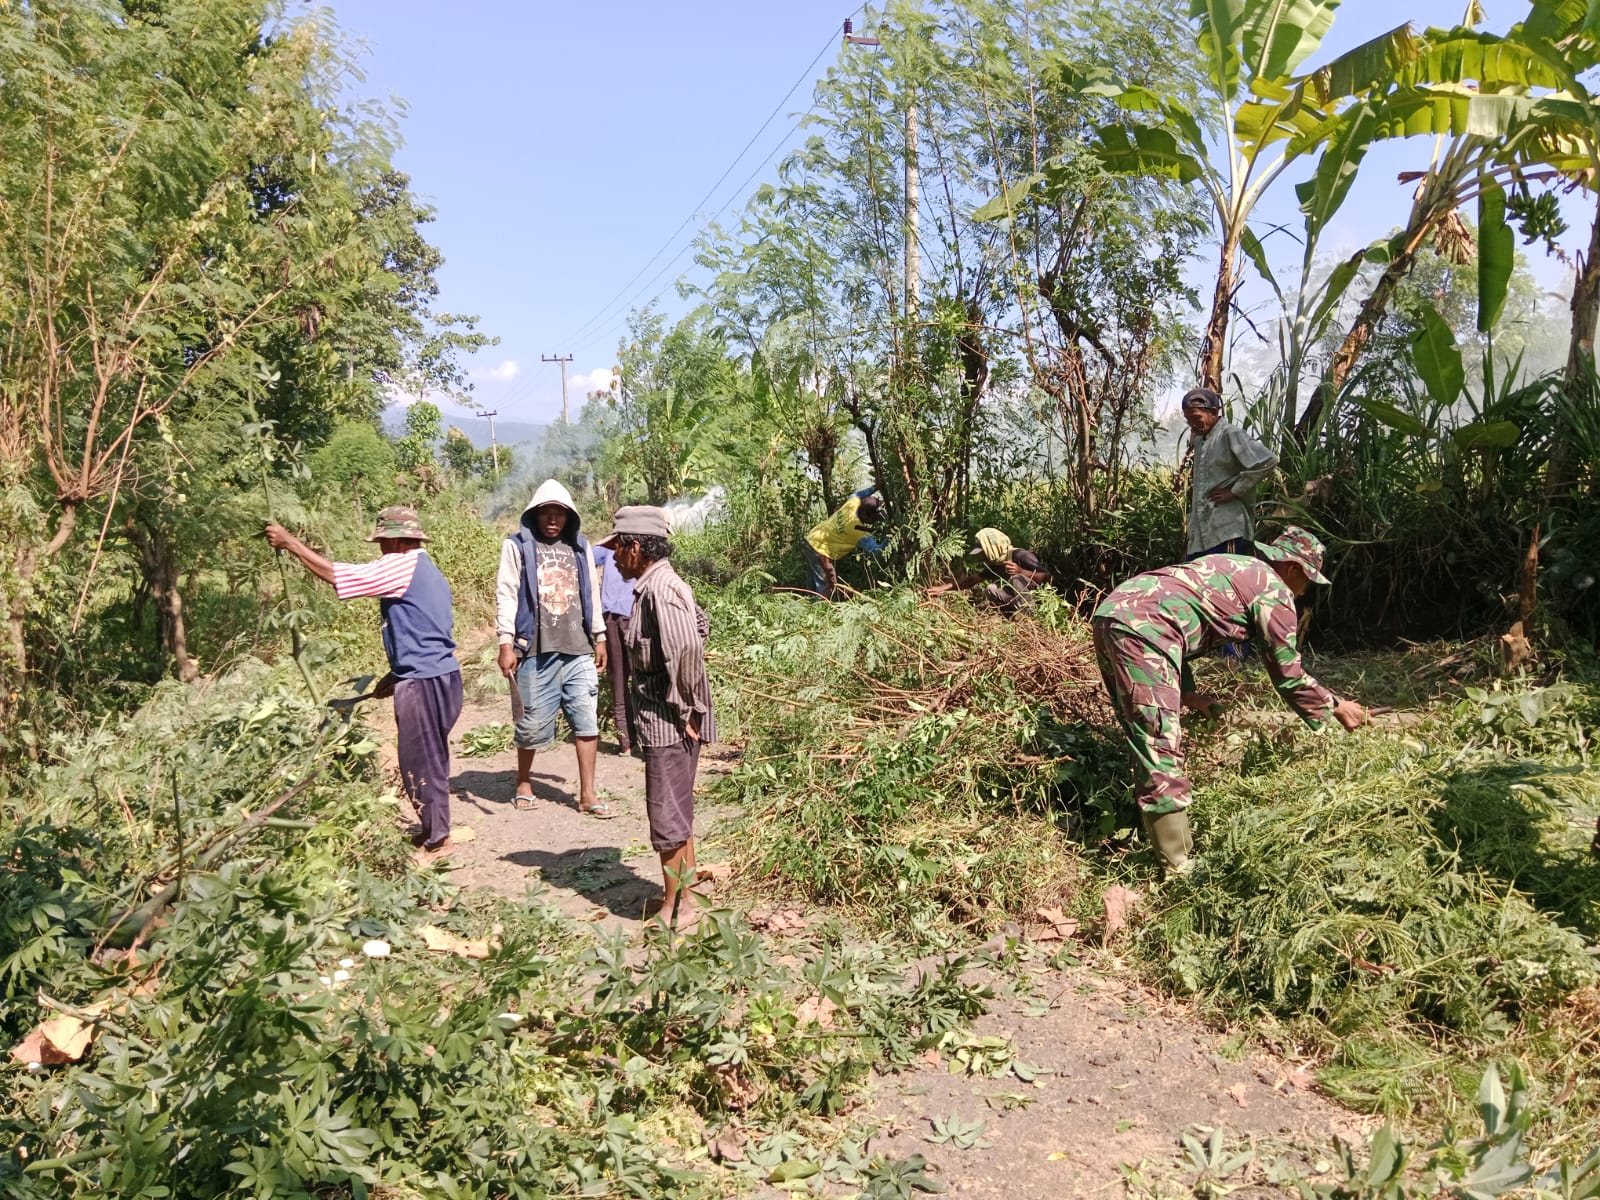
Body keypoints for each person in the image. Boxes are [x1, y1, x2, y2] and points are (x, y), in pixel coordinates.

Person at [1091, 526, 1369, 871]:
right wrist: (1337, 706)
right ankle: (1179, 868)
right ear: (1293, 567)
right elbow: (1288, 674)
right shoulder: (1274, 590)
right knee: (1158, 743)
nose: (1305, 590)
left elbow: (1180, 613)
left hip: (1112, 614)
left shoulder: (1232, 565)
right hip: (1146, 628)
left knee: (1143, 734)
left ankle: (1155, 835)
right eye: (1308, 579)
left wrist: (1189, 695)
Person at [264, 506, 463, 858]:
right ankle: (435, 828)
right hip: (440, 675)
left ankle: (438, 838)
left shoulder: (402, 564)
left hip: (425, 680)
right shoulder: (428, 569)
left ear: (397, 540)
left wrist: (290, 543)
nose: (381, 550)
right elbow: (426, 629)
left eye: (384, 543)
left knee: (420, 761)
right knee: (433, 756)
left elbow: (338, 575)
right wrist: (396, 674)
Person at [600, 505, 716, 923]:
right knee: (677, 810)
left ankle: (678, 906)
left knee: (666, 815)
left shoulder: (660, 589)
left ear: (635, 547)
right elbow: (699, 626)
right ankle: (685, 897)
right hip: (668, 717)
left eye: (617, 549)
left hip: (670, 720)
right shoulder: (655, 586)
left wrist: (687, 707)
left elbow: (686, 647)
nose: (613, 558)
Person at [495, 479, 611, 817]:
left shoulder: (579, 547)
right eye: (545, 512)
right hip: (535, 650)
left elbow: (591, 591)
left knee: (586, 721)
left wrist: (599, 635)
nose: (552, 520)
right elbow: (506, 593)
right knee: (529, 723)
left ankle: (587, 794)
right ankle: (523, 782)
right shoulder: (517, 546)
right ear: (534, 514)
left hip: (578, 649)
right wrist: (505, 642)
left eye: (559, 514)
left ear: (568, 517)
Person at [1181, 387, 1278, 560]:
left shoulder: (1230, 434)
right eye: (1188, 420)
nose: (1192, 424)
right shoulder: (1201, 440)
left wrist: (1233, 491)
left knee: (1224, 582)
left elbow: (1268, 460)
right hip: (1202, 534)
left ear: (1213, 412)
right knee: (1198, 583)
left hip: (1226, 529)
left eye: (1196, 418)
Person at [927, 527, 1050, 616]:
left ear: (993, 548)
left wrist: (1021, 571)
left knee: (1015, 579)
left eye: (983, 553)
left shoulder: (1020, 555)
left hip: (1038, 601)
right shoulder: (997, 563)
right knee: (991, 589)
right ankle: (1013, 618)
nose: (982, 557)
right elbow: (972, 580)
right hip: (1018, 601)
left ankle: (1031, 617)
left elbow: (1049, 578)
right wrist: (942, 589)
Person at [591, 539, 639, 754]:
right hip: (610, 617)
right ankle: (626, 742)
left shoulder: (643, 549)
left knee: (641, 682)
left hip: (635, 617)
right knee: (617, 679)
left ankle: (645, 740)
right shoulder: (608, 549)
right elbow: (585, 558)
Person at [803, 485, 884, 598]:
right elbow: (877, 551)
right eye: (873, 519)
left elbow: (857, 495)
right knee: (827, 586)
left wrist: (875, 487)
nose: (874, 522)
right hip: (820, 550)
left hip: (811, 538)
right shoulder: (857, 531)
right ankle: (820, 610)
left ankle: (808, 605)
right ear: (865, 514)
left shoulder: (852, 506)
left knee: (814, 583)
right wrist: (890, 537)